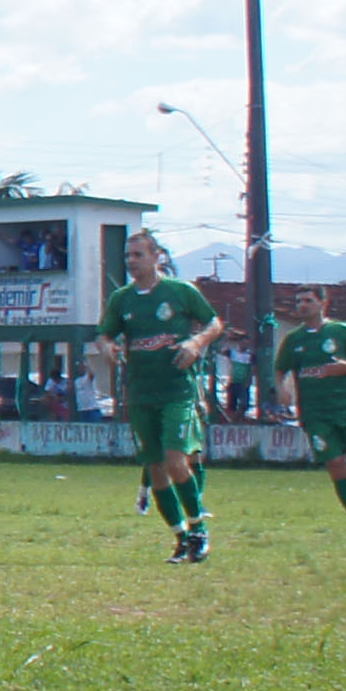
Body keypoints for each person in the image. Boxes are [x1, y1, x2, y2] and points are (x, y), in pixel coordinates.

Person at [104, 231, 226, 563]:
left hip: (177, 392)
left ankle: (199, 528)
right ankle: (181, 536)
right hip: (141, 394)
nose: (131, 261)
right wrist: (109, 348)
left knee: (176, 461)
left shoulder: (180, 291)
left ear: (156, 256)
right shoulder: (122, 299)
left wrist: (196, 343)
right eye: (128, 255)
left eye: (138, 255)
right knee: (155, 469)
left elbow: (214, 323)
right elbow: (103, 335)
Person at [276, 287, 346, 543]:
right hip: (316, 414)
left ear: (323, 303)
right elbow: (280, 369)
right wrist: (282, 388)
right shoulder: (293, 339)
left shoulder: (341, 331)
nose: (302, 305)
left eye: (308, 300)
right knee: (337, 467)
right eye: (299, 301)